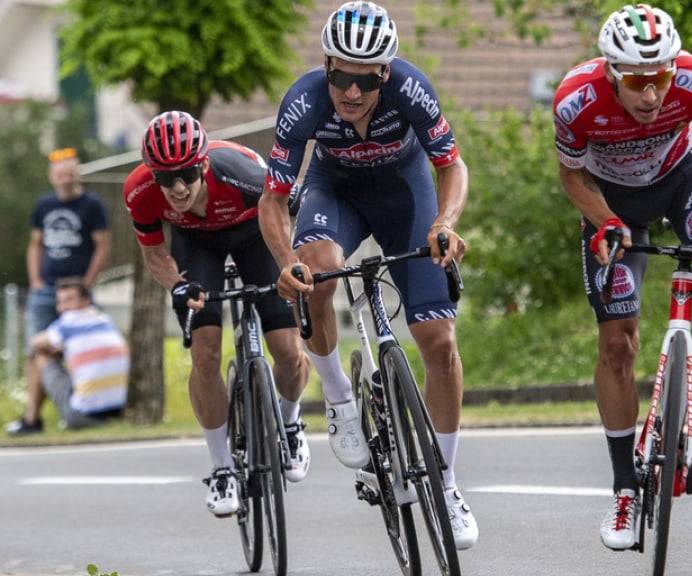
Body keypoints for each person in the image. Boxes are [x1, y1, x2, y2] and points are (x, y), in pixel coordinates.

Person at [552, 3, 692, 550]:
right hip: (613, 202)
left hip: (684, 177)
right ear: (612, 72)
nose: (652, 94)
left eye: (660, 78)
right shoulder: (574, 101)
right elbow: (571, 176)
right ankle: (624, 490)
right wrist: (606, 220)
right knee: (616, 343)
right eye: (637, 81)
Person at [259, 2, 477, 549]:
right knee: (318, 272)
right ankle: (338, 399)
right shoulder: (304, 100)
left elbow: (451, 164)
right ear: (326, 66)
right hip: (336, 194)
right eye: (339, 76)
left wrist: (446, 223)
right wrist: (287, 260)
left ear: (385, 72)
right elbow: (273, 198)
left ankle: (446, 485)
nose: (350, 92)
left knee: (440, 341)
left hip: (405, 192)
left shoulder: (411, 88)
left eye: (364, 79)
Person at [123, 111, 310, 517]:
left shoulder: (242, 174)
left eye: (186, 174)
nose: (176, 187)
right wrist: (177, 285)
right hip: (196, 245)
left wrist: (288, 262)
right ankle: (222, 467)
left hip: (256, 233)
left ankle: (291, 423)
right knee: (205, 354)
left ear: (203, 163)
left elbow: (286, 212)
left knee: (289, 351)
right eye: (164, 176)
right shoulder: (139, 192)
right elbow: (155, 254)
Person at [24, 147, 111, 412]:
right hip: (46, 289)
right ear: (53, 177)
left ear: (78, 175)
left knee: (77, 349)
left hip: (76, 292)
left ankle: (84, 406)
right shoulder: (44, 205)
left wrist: (86, 282)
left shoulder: (92, 205)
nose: (65, 178)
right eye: (60, 174)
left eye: (70, 173)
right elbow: (35, 244)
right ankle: (31, 416)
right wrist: (36, 280)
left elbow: (103, 245)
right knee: (35, 350)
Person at [4, 278, 127, 435]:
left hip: (81, 416)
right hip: (118, 411)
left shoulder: (67, 323)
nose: (63, 307)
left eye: (69, 300)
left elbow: (35, 342)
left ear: (86, 300)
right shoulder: (105, 320)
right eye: (60, 302)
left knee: (38, 356)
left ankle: (30, 421)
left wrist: (58, 350)